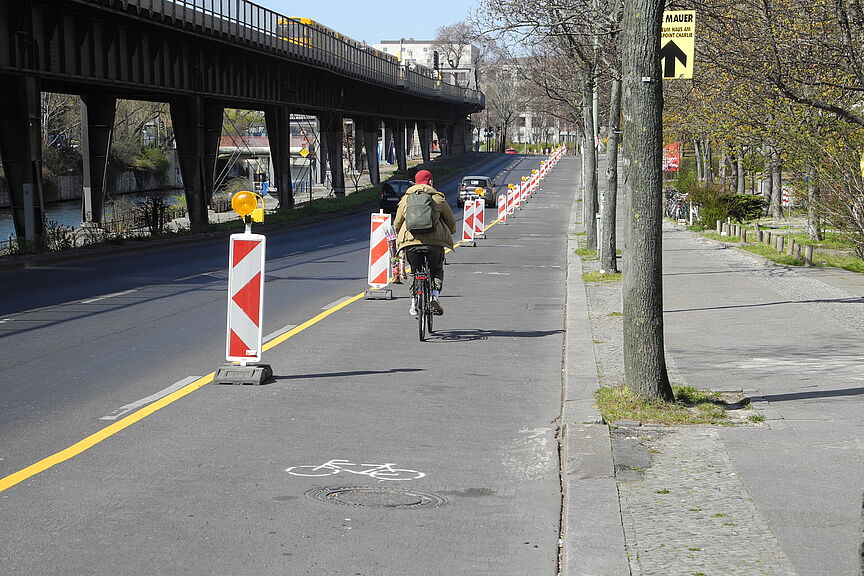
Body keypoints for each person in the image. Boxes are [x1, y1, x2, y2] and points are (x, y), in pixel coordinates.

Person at [393, 169, 456, 316]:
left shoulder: (405, 199)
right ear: (430, 182)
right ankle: (434, 295)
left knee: (415, 271)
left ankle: (414, 302)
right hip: (434, 242)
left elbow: (397, 222)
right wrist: (450, 232)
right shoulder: (438, 198)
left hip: (410, 242)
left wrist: (399, 235)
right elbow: (451, 221)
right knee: (436, 269)